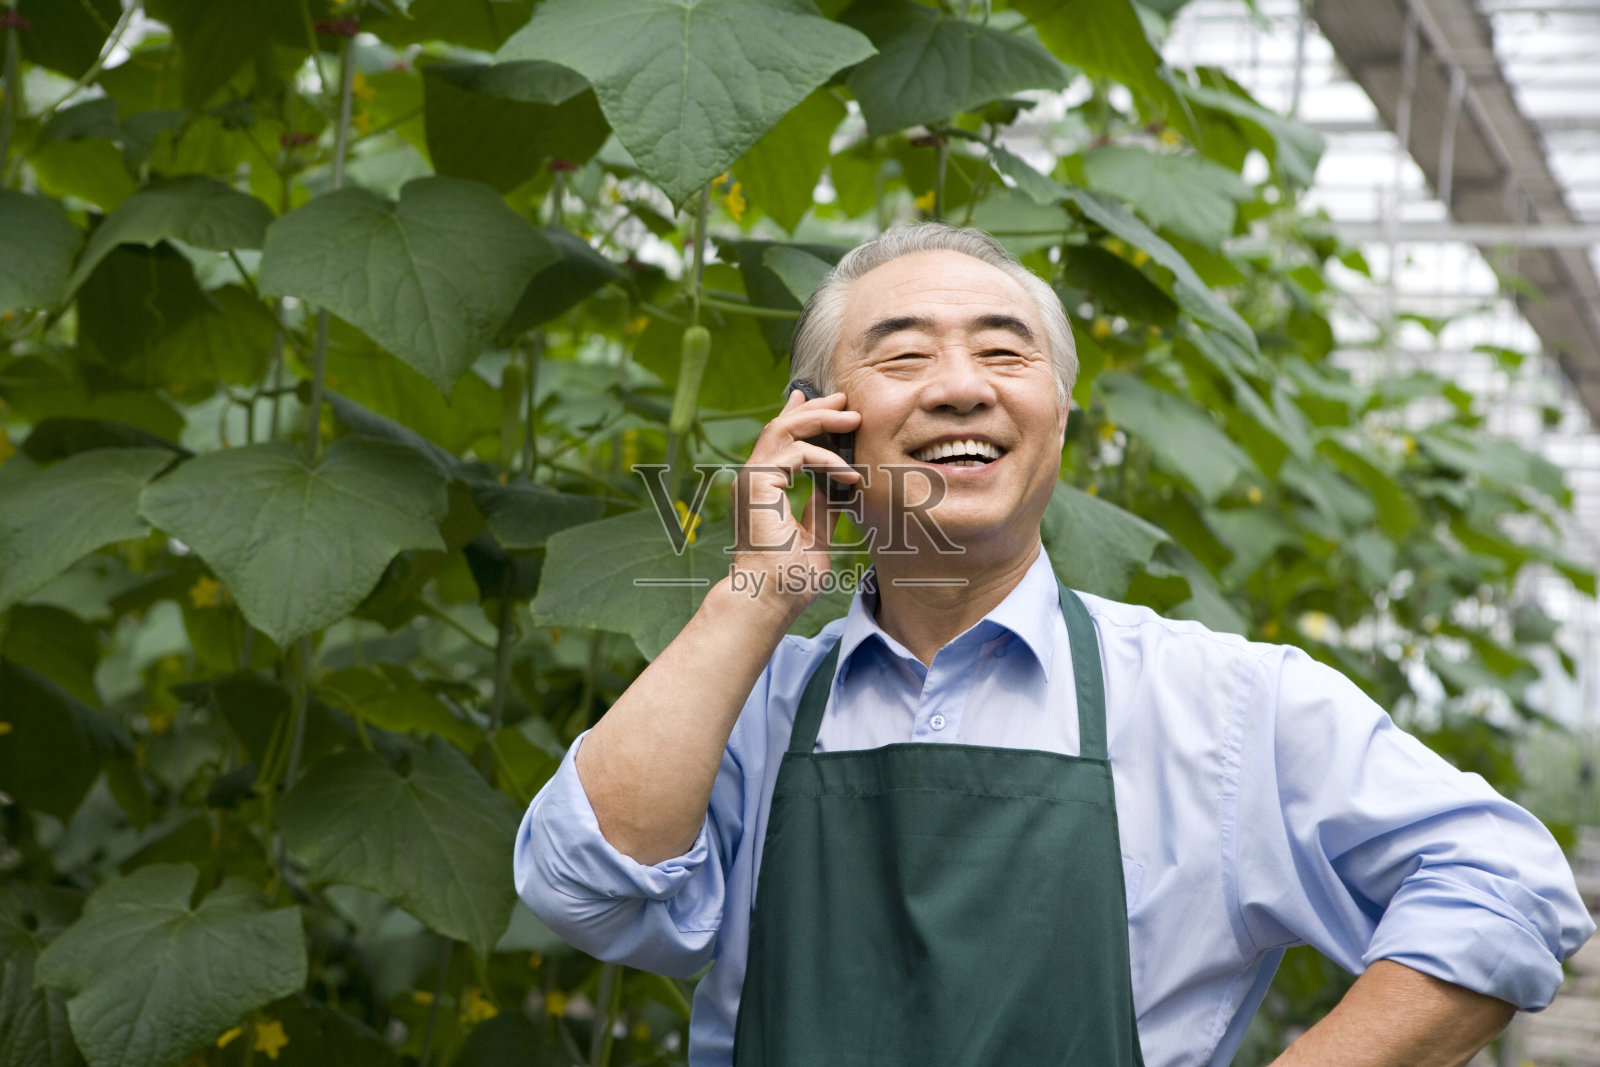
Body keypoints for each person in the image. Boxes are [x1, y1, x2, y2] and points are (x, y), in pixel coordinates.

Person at [513, 224, 1594, 1067]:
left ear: (1057, 419)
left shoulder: (1214, 701)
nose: (960, 383)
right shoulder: (754, 706)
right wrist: (755, 593)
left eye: (1003, 350)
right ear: (823, 424)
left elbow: (1503, 882)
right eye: (902, 355)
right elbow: (584, 884)